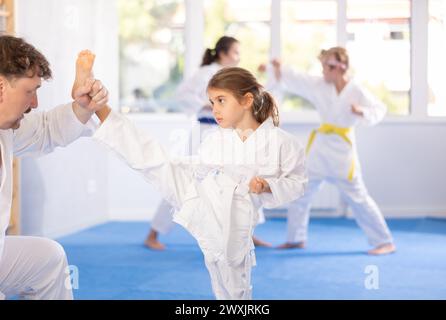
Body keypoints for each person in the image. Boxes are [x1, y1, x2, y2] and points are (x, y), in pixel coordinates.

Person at [92, 66, 307, 299]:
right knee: (154, 160)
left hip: (235, 215)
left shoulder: (282, 142)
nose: (214, 109)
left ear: (246, 100)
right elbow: (203, 166)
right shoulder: (217, 138)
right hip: (202, 194)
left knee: (231, 282)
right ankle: (100, 110)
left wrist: (268, 186)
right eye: (212, 102)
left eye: (221, 101)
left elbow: (298, 182)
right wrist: (183, 165)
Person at [0, 37, 109, 299]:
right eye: (30, 91)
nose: (35, 103)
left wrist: (83, 107)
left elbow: (46, 128)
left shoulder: (6, 130)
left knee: (48, 260)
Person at [266, 47, 396, 255]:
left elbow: (379, 109)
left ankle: (384, 241)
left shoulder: (357, 90)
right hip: (320, 149)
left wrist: (361, 111)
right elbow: (298, 78)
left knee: (359, 198)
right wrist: (280, 68)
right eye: (323, 65)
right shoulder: (319, 85)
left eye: (327, 66)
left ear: (340, 67)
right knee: (300, 191)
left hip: (342, 152)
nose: (323, 70)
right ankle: (295, 238)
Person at [146, 36, 270, 250]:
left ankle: (247, 233)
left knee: (245, 177)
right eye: (235, 52)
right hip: (205, 133)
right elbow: (182, 94)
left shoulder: (234, 76)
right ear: (223, 53)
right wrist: (206, 104)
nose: (238, 57)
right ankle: (153, 234)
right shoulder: (205, 73)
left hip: (230, 133)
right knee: (183, 179)